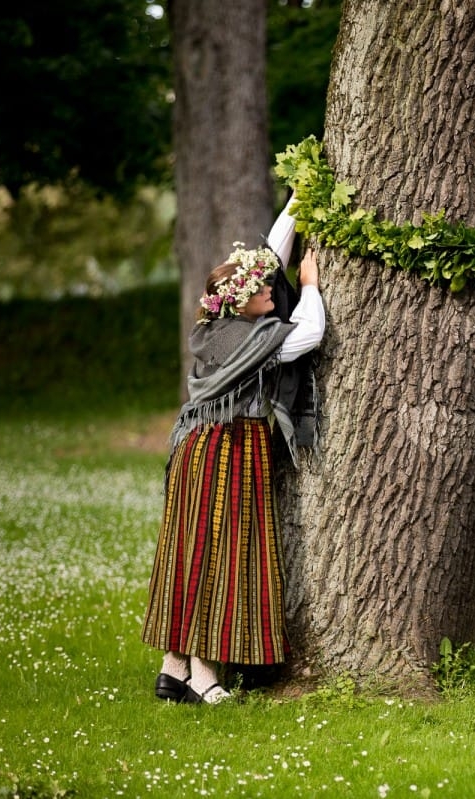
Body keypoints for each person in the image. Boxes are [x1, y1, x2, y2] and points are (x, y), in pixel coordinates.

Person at [141, 206, 326, 704]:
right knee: (221, 557)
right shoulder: (246, 339)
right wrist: (308, 286)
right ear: (241, 304)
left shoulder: (216, 326)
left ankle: (172, 666)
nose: (271, 288)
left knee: (191, 552)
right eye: (261, 290)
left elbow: (268, 257)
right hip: (227, 448)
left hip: (199, 447)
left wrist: (298, 201)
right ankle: (204, 674)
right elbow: (309, 335)